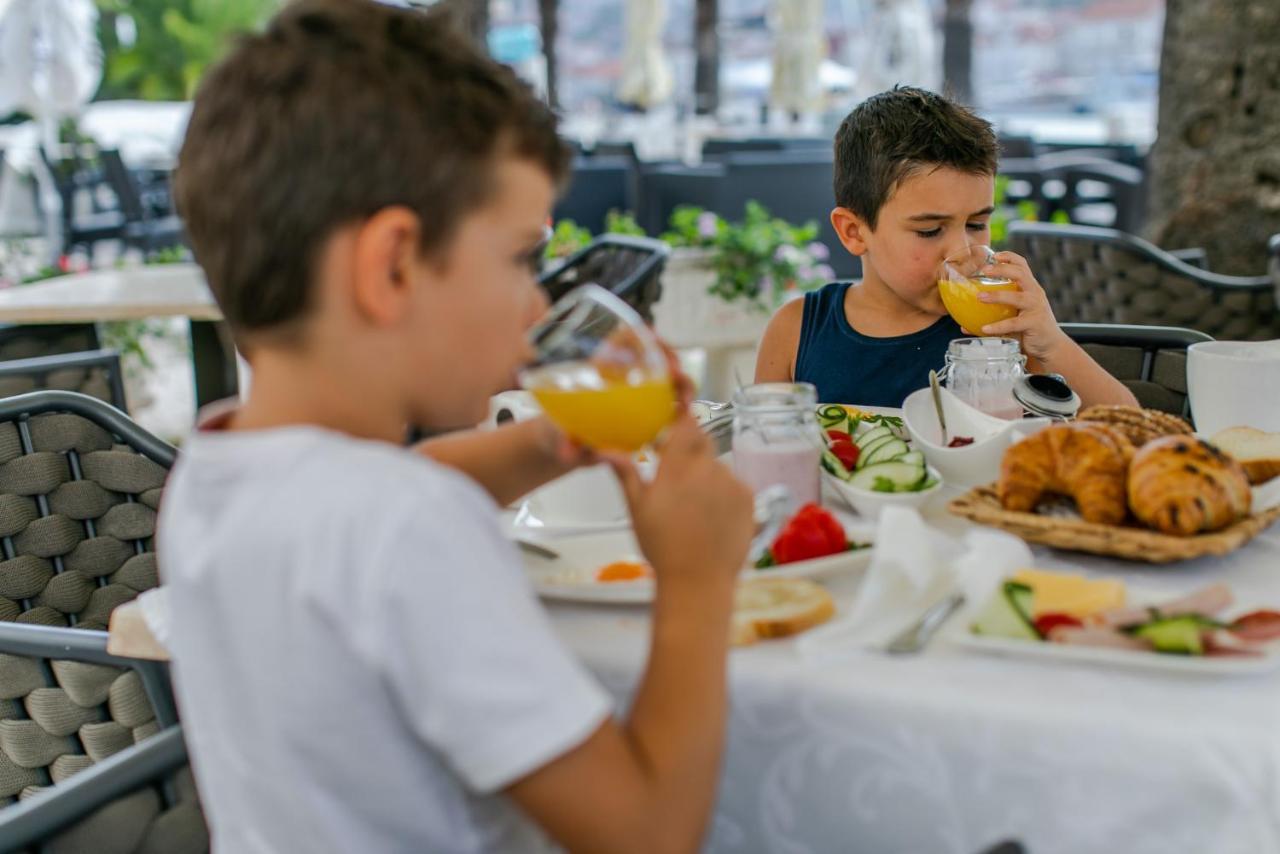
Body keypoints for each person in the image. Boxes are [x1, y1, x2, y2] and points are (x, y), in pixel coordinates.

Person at [159, 1, 754, 851]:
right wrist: (697, 581)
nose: (538, 302)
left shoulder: (214, 474)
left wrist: (553, 440)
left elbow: (384, 504)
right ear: (393, 264)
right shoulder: (405, 529)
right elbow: (648, 834)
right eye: (519, 257)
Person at [755, 86, 1138, 410]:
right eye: (930, 230)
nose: (962, 249)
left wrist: (1051, 343)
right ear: (855, 231)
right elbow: (762, 450)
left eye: (977, 224)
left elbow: (1132, 429)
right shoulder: (797, 330)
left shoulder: (1000, 334)